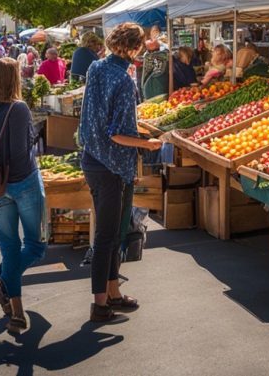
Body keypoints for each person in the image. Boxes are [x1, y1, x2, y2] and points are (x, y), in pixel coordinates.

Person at [80, 22, 161, 323]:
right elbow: (116, 133)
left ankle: (113, 293)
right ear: (133, 47)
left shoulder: (96, 69)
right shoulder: (125, 81)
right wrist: (147, 142)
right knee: (107, 236)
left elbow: (98, 120)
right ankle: (100, 305)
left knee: (112, 234)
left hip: (92, 159)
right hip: (113, 165)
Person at [0, 58, 44, 334]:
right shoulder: (18, 108)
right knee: (35, 246)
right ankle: (2, 282)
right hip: (22, 182)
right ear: (13, 79)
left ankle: (15, 308)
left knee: (9, 246)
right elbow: (20, 151)